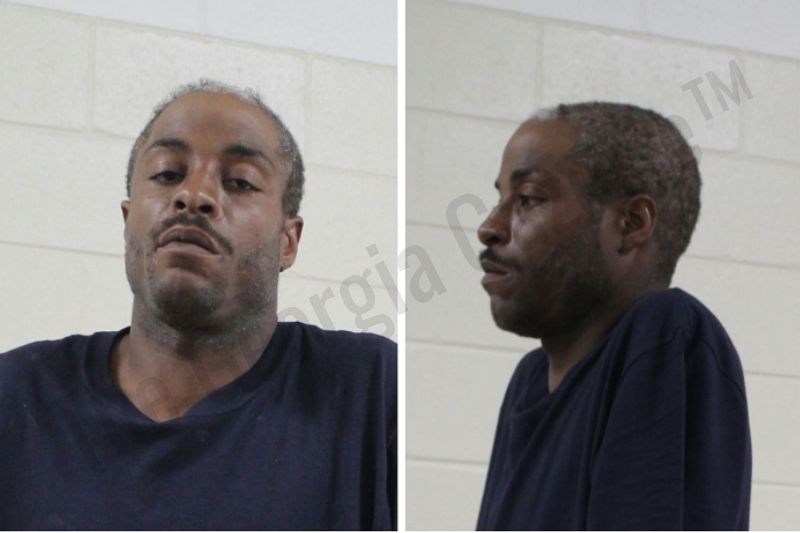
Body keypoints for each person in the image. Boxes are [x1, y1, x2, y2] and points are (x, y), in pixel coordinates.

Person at [0, 79, 396, 531]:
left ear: (288, 242)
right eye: (168, 173)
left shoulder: (372, 394)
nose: (195, 195)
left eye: (240, 181)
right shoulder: (17, 396)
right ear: (128, 222)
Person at [475, 102, 751, 530]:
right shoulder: (530, 381)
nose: (490, 227)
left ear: (631, 223)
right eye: (500, 199)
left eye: (527, 199)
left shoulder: (664, 333)